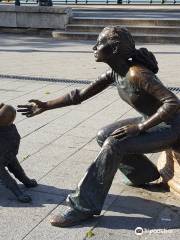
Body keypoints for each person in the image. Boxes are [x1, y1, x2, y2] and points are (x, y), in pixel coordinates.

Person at [17, 26, 180, 227]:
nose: (94, 47)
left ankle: (83, 206)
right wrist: (45, 105)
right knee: (103, 135)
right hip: (153, 119)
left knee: (114, 143)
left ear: (114, 49)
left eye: (99, 43)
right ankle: (144, 174)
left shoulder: (138, 74)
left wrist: (140, 127)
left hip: (172, 127)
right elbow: (79, 95)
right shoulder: (114, 73)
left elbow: (172, 102)